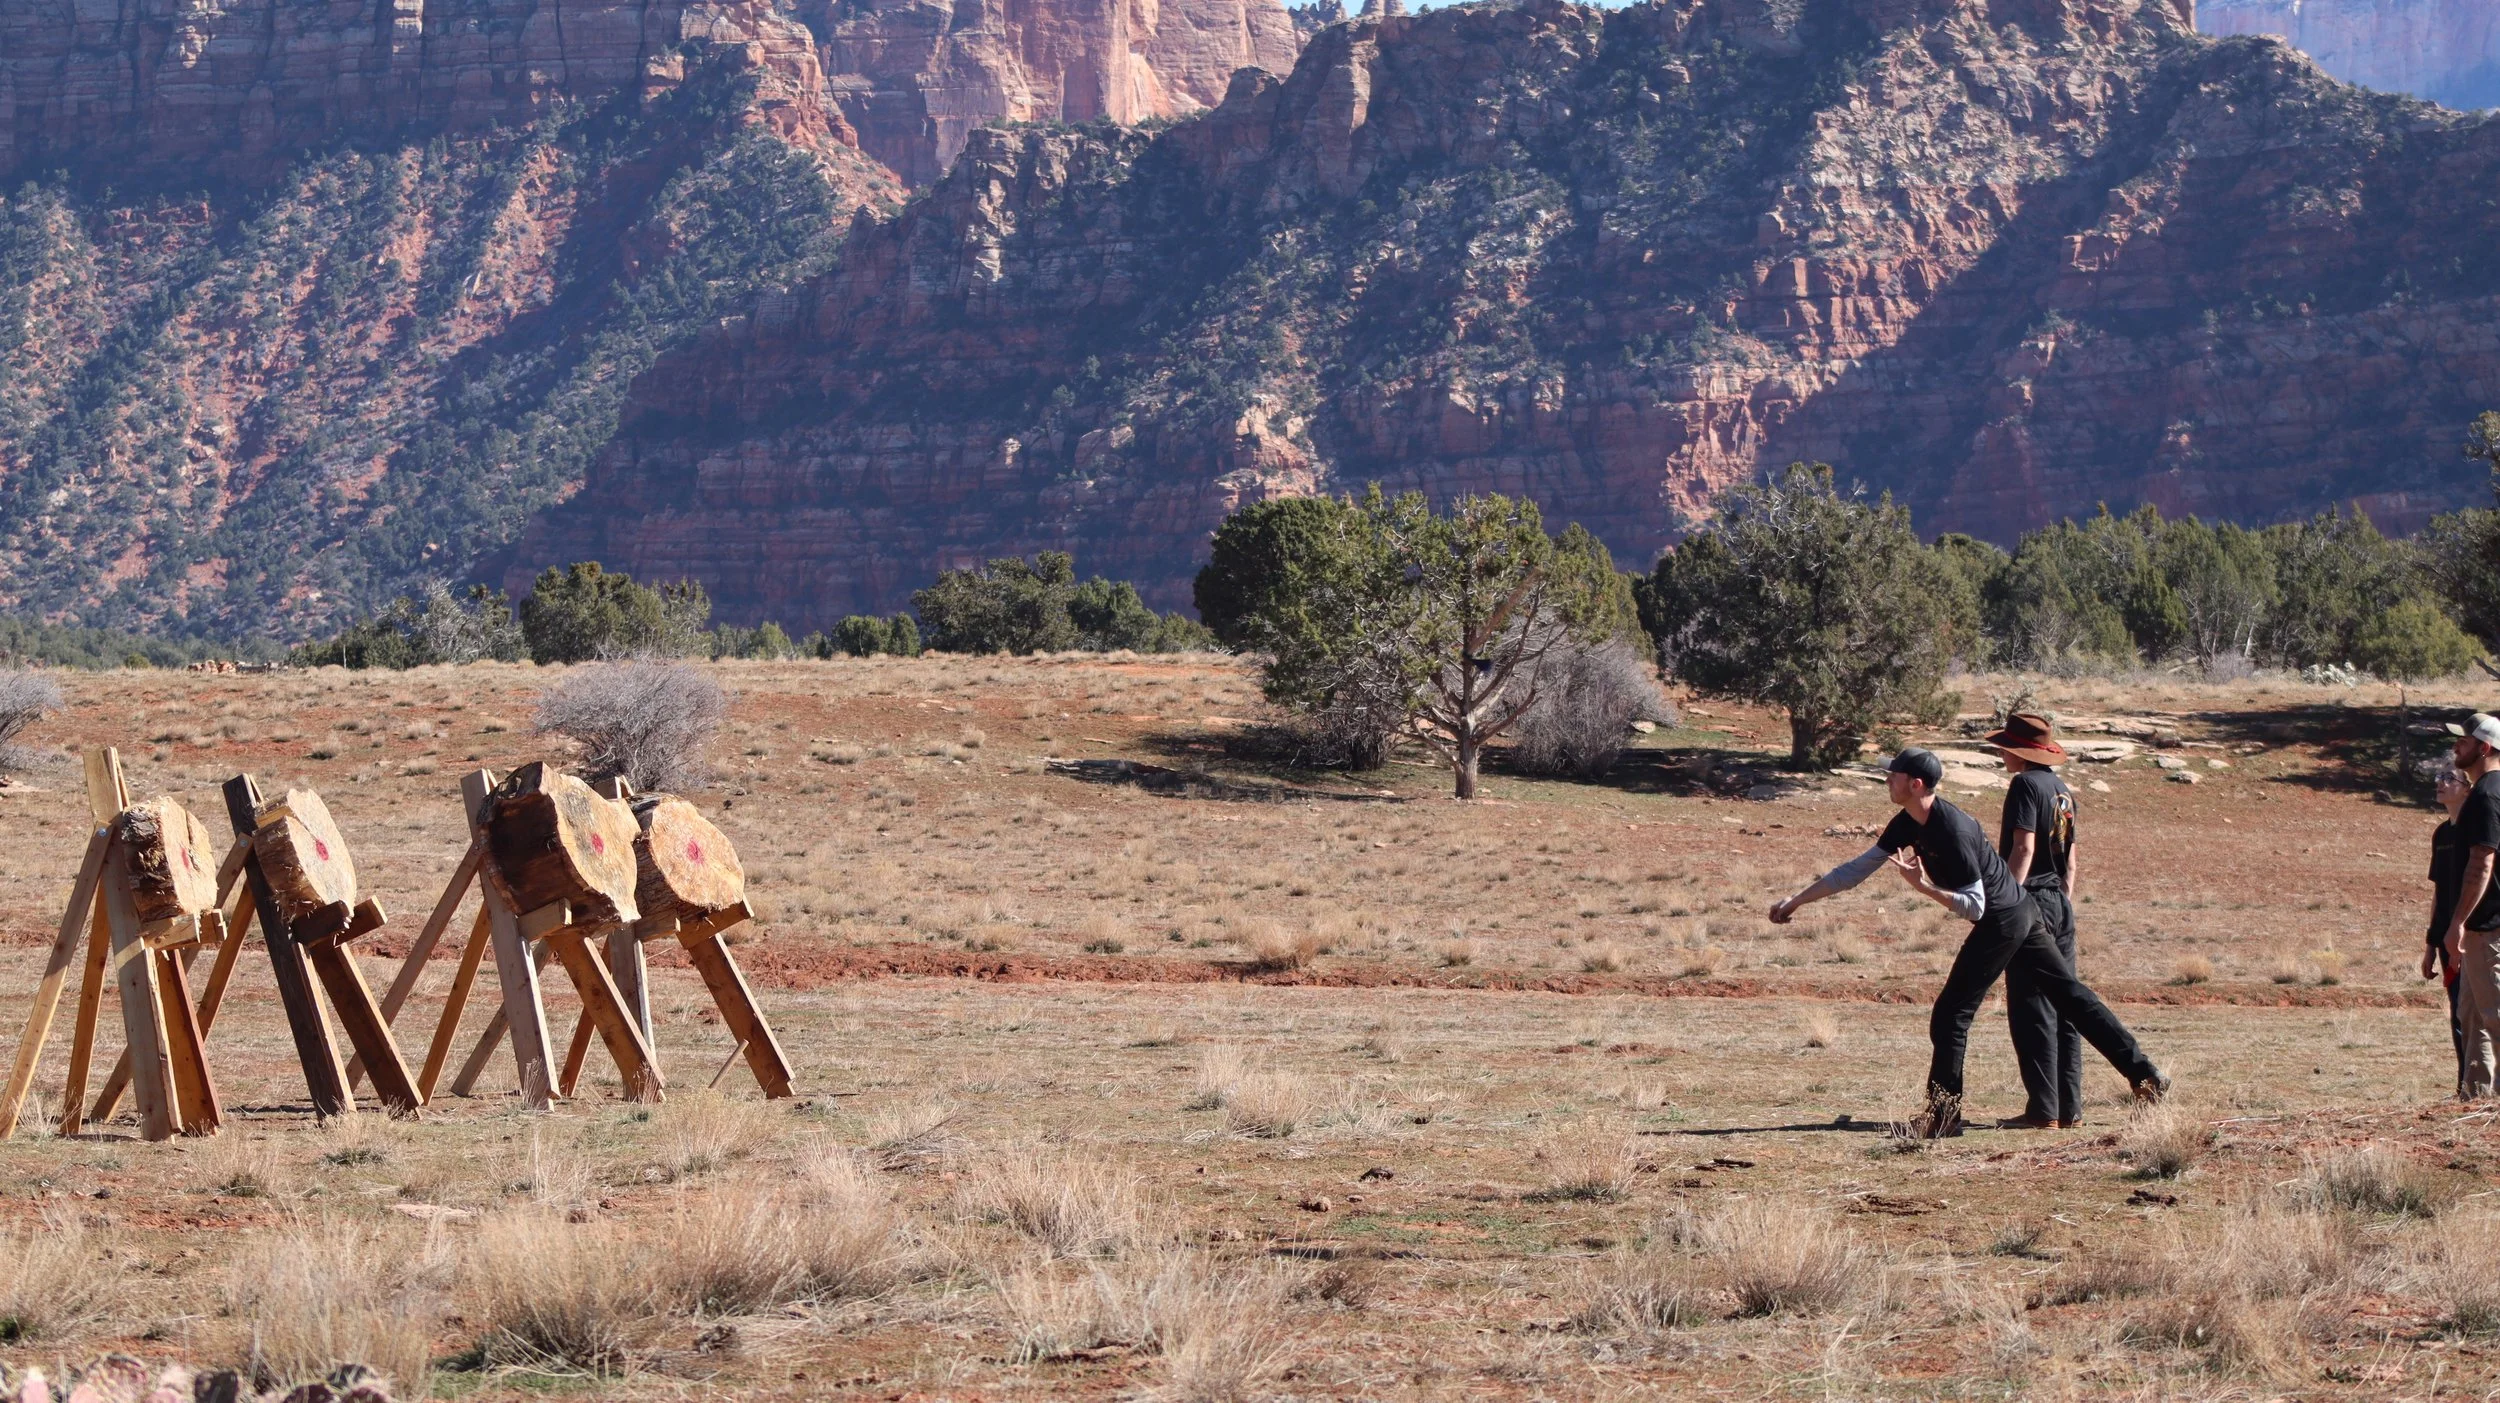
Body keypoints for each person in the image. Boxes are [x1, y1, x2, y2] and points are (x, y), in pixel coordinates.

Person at [1768, 747, 2170, 1136]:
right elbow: (1854, 871)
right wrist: (1796, 900)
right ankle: (2145, 1075)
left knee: (1951, 1014)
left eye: (1893, 774)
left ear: (1915, 784)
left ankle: (1943, 1117)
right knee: (2070, 996)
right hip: (2020, 910)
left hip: (2005, 919)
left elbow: (1976, 906)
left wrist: (1925, 888)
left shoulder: (1953, 829)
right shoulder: (1907, 821)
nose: (1887, 779)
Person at [1988, 713, 2084, 1130]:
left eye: (2005, 746)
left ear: (2019, 751)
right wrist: (2062, 898)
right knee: (2066, 1003)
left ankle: (2043, 1110)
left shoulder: (2024, 785)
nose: (2001, 753)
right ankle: (2069, 1108)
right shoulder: (2062, 791)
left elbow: (2023, 848)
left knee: (2031, 1005)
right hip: (2059, 902)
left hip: (2029, 901)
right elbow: (2071, 859)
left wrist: (2006, 902)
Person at [2442, 713, 2500, 1097]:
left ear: (2484, 747)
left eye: (2463, 741)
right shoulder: (2486, 791)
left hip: (2487, 926)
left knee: (2495, 1015)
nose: (2455, 746)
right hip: (2484, 924)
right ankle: (2475, 1100)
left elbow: (2481, 863)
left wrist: (2458, 922)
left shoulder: (2486, 795)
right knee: (2474, 1016)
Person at [2423, 766, 2470, 1096]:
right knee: (2457, 1011)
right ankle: (2465, 1086)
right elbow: (2439, 893)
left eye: (2449, 777)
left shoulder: (2477, 831)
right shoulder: (2441, 834)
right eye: (2439, 776)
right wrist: (2430, 944)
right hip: (2445, 940)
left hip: (2470, 938)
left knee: (2478, 1012)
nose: (2440, 782)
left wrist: (2462, 932)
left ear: (2467, 788)